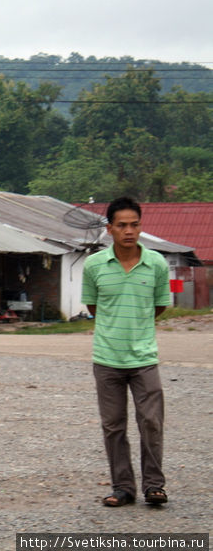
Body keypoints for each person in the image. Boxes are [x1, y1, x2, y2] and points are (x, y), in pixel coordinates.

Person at [81, 196, 171, 507]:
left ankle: (154, 486)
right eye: (122, 225)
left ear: (140, 227)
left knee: (151, 422)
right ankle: (123, 487)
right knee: (113, 426)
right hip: (107, 359)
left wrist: (137, 330)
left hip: (145, 359)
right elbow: (94, 307)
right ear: (110, 229)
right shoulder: (94, 266)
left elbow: (158, 306)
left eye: (134, 225)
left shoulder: (157, 264)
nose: (129, 231)